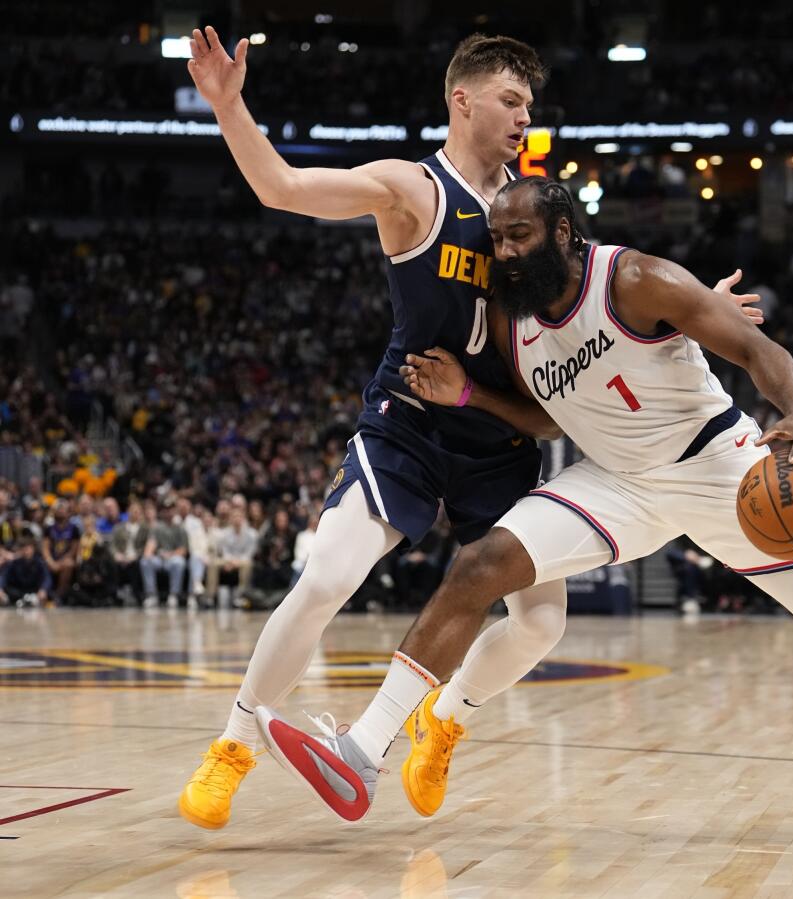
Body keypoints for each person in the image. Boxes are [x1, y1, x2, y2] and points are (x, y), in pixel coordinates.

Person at [258, 177, 793, 856]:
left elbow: (760, 352)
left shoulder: (633, 279)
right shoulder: (514, 328)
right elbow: (554, 419)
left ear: (563, 234)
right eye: (497, 241)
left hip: (720, 467)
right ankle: (362, 754)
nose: (503, 252)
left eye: (517, 237)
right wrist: (473, 392)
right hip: (617, 481)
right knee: (480, 567)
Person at [177, 27, 757, 830]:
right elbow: (281, 186)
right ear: (463, 99)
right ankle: (234, 745)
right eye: (511, 101)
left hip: (500, 434)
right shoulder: (413, 188)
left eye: (530, 105)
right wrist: (229, 107)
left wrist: (701, 305)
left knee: (543, 622)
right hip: (411, 421)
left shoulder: (536, 211)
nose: (524, 118)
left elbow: (605, 292)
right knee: (327, 577)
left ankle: (443, 717)